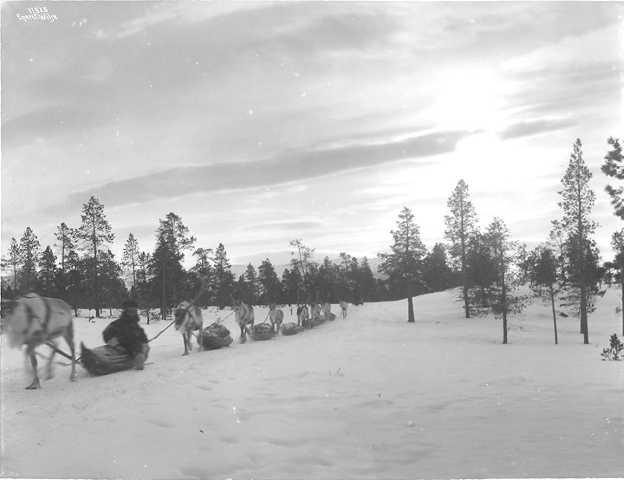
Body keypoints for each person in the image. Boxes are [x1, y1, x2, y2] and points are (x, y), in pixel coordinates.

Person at [102, 299, 149, 370]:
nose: (132, 313)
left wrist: (145, 345)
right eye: (130, 311)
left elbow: (143, 338)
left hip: (134, 350)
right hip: (119, 348)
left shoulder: (136, 326)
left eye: (134, 311)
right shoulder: (117, 324)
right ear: (126, 312)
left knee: (138, 346)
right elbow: (106, 334)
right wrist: (115, 343)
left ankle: (138, 358)